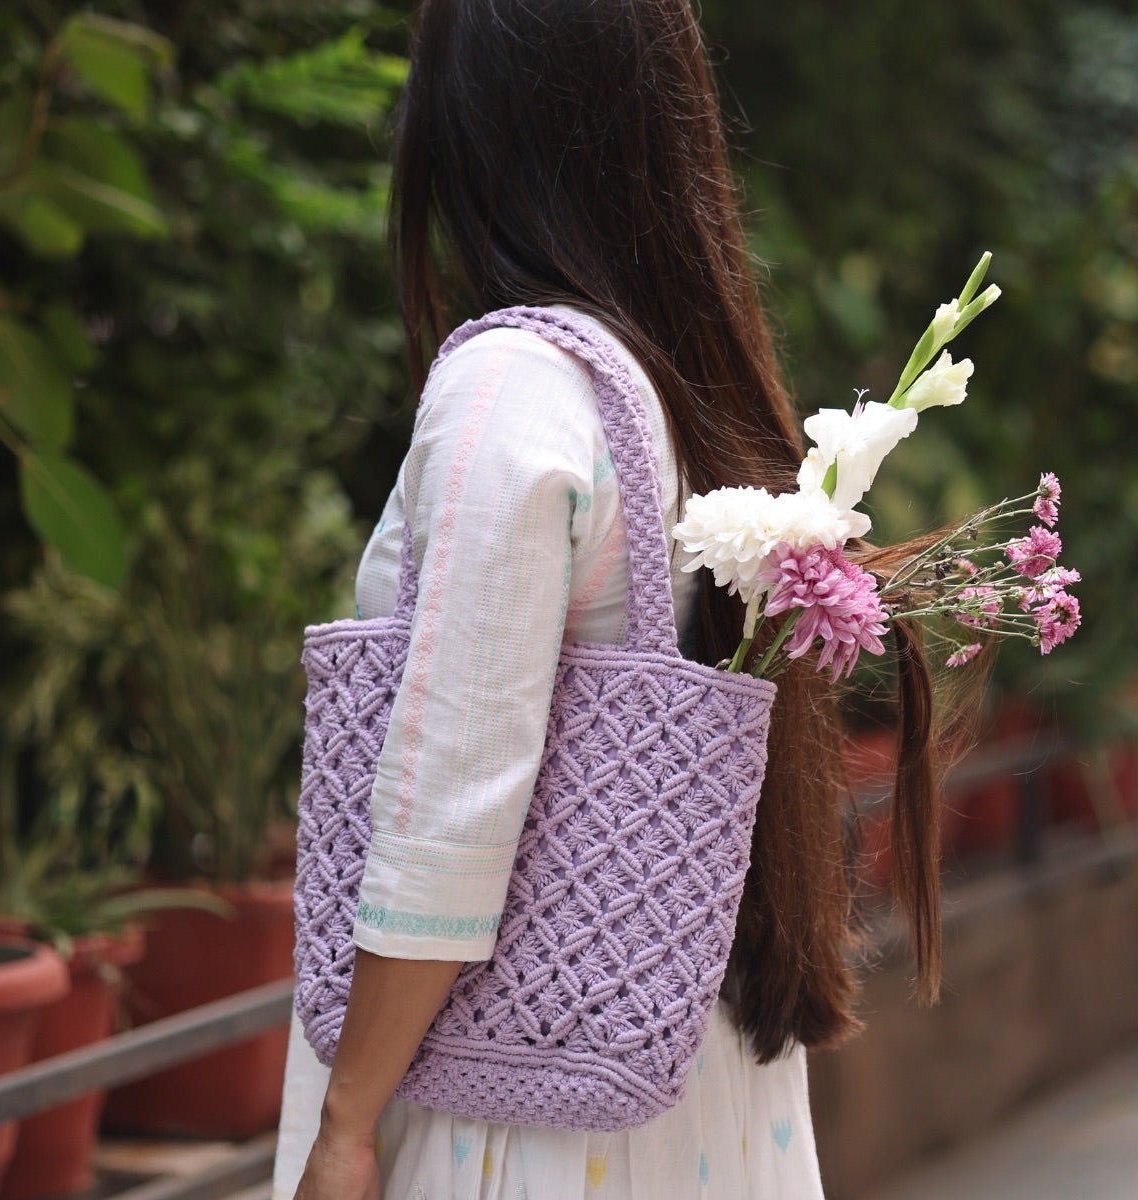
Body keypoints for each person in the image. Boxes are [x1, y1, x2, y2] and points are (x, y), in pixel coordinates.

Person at [276, 2, 944, 1197]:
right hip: (675, 1072)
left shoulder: (511, 387)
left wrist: (346, 1122)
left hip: (508, 1105)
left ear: (471, 121)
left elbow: (453, 802)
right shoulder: (682, 379)